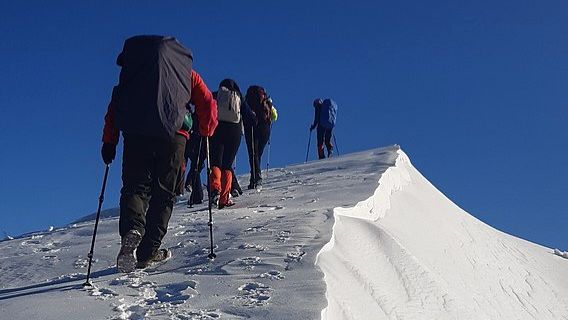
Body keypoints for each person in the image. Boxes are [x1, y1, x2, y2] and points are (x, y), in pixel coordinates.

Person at [101, 35, 217, 272]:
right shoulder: (185, 73)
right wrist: (206, 130)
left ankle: (133, 229)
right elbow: (206, 101)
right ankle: (147, 252)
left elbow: (115, 106)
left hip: (136, 136)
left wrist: (109, 141)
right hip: (174, 137)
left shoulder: (132, 74)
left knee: (135, 188)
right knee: (165, 195)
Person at [209, 79, 251, 208]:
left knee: (216, 162)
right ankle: (224, 198)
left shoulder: (215, 95)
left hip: (217, 129)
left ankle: (215, 188)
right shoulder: (239, 97)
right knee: (227, 164)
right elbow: (250, 117)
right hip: (234, 131)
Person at [244, 86, 278, 190]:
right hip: (265, 129)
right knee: (258, 154)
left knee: (253, 154)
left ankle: (256, 178)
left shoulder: (247, 102)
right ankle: (254, 178)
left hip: (252, 128)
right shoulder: (267, 101)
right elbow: (274, 116)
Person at [184, 111, 207, 206]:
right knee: (198, 164)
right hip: (205, 134)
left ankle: (195, 193)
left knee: (196, 164)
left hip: (193, 134)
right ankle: (195, 192)